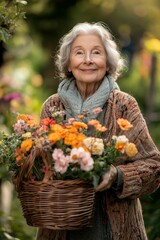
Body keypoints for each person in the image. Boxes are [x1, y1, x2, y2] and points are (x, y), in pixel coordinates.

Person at [36, 22, 160, 240]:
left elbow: (154, 167)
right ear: (68, 64)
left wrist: (117, 176)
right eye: (79, 53)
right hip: (60, 228)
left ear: (108, 62)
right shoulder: (52, 106)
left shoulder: (124, 105)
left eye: (96, 52)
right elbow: (36, 164)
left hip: (114, 230)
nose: (88, 60)